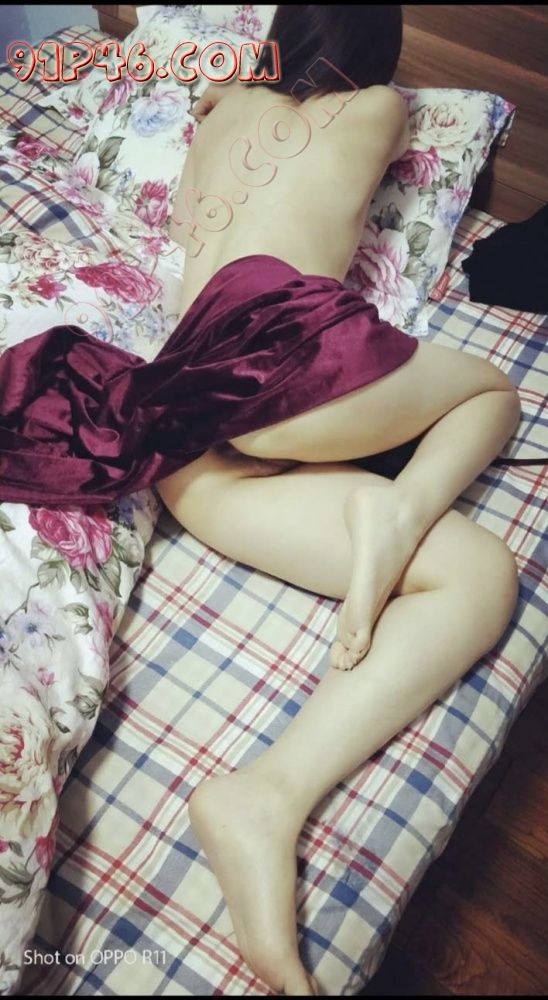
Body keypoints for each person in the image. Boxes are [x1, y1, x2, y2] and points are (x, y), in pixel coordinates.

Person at [152, 5, 521, 996]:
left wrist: (234, 79)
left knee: (476, 577)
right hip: (286, 366)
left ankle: (264, 796)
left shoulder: (220, 113)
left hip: (183, 424)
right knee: (493, 394)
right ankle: (396, 511)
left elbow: (240, 98)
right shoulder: (377, 109)